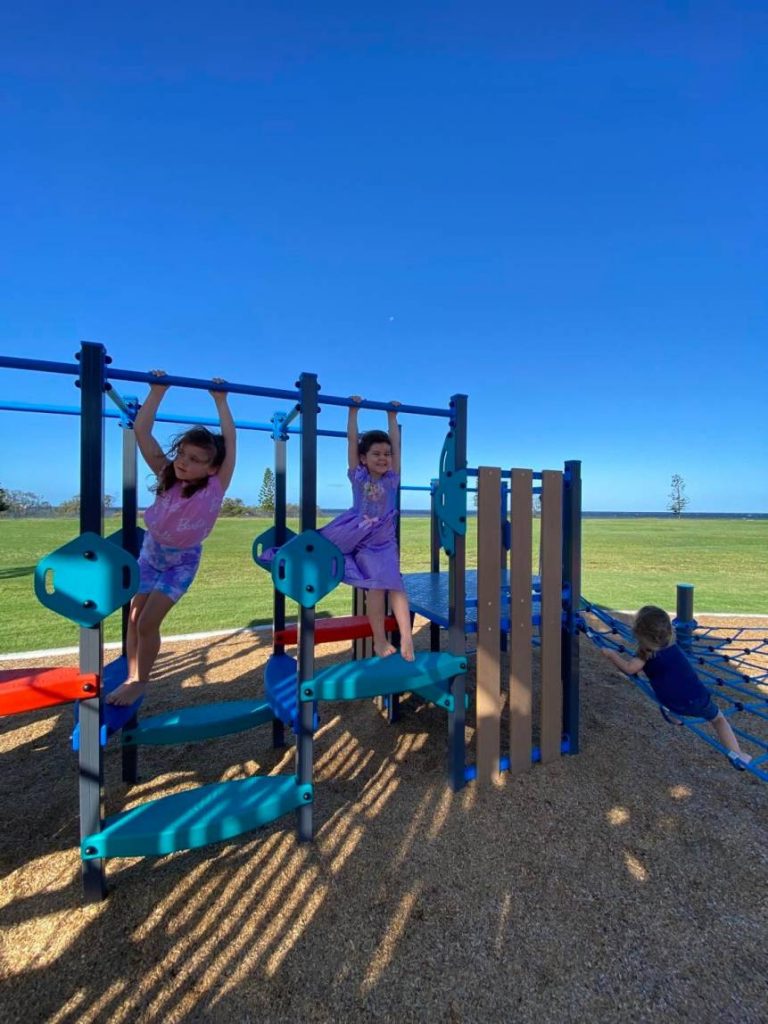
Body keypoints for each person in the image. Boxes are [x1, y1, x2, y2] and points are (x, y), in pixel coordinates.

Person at [107, 371, 236, 706]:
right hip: (151, 555)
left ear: (211, 468)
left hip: (182, 561)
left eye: (194, 460)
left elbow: (231, 442)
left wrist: (221, 402)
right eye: (182, 454)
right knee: (134, 618)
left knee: (149, 621)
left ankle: (139, 681)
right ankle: (133, 673)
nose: (183, 462)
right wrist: (157, 392)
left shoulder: (215, 486)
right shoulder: (167, 476)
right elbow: (142, 431)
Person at [319, 396, 415, 661]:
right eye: (376, 454)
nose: (383, 458)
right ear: (363, 458)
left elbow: (397, 444)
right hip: (355, 532)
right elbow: (351, 441)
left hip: (383, 539)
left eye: (387, 454)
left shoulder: (393, 477)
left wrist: (392, 418)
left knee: (393, 583)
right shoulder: (358, 475)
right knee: (372, 584)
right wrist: (353, 412)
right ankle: (380, 639)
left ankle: (406, 636)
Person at [601, 605, 752, 768]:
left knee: (670, 696)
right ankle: (738, 755)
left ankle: (675, 716)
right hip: (698, 699)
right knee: (719, 720)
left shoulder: (644, 654)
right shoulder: (674, 647)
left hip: (672, 703)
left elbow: (629, 669)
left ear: (639, 635)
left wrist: (611, 655)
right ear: (669, 632)